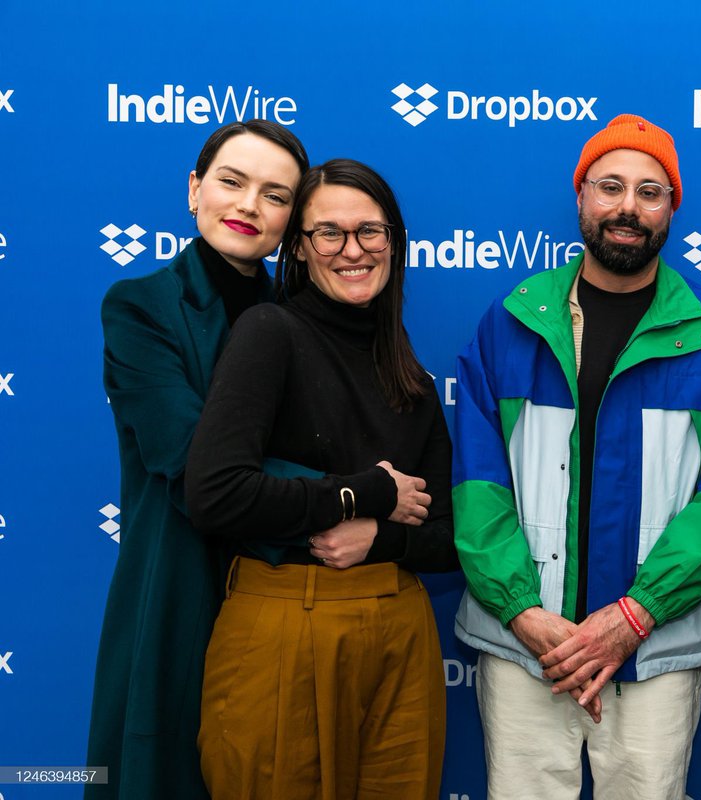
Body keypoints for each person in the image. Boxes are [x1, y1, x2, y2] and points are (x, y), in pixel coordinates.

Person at [452, 113, 701, 799]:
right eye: (611, 186)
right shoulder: (509, 325)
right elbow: (479, 489)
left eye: (650, 191)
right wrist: (525, 614)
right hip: (526, 647)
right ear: (581, 196)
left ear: (672, 207)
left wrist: (633, 616)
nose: (628, 207)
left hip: (655, 649)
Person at [183, 159, 457, 800]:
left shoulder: (406, 371)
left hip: (401, 626)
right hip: (286, 620)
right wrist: (364, 494)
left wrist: (378, 540)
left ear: (394, 240)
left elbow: (448, 533)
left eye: (370, 231)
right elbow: (215, 492)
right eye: (328, 233)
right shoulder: (269, 333)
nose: (352, 250)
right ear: (300, 250)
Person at [87, 120, 308, 800]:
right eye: (232, 182)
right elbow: (193, 468)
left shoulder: (310, 321)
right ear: (194, 189)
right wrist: (347, 498)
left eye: (275, 196)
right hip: (176, 590)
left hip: (288, 601)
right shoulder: (142, 308)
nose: (248, 206)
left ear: (292, 222)